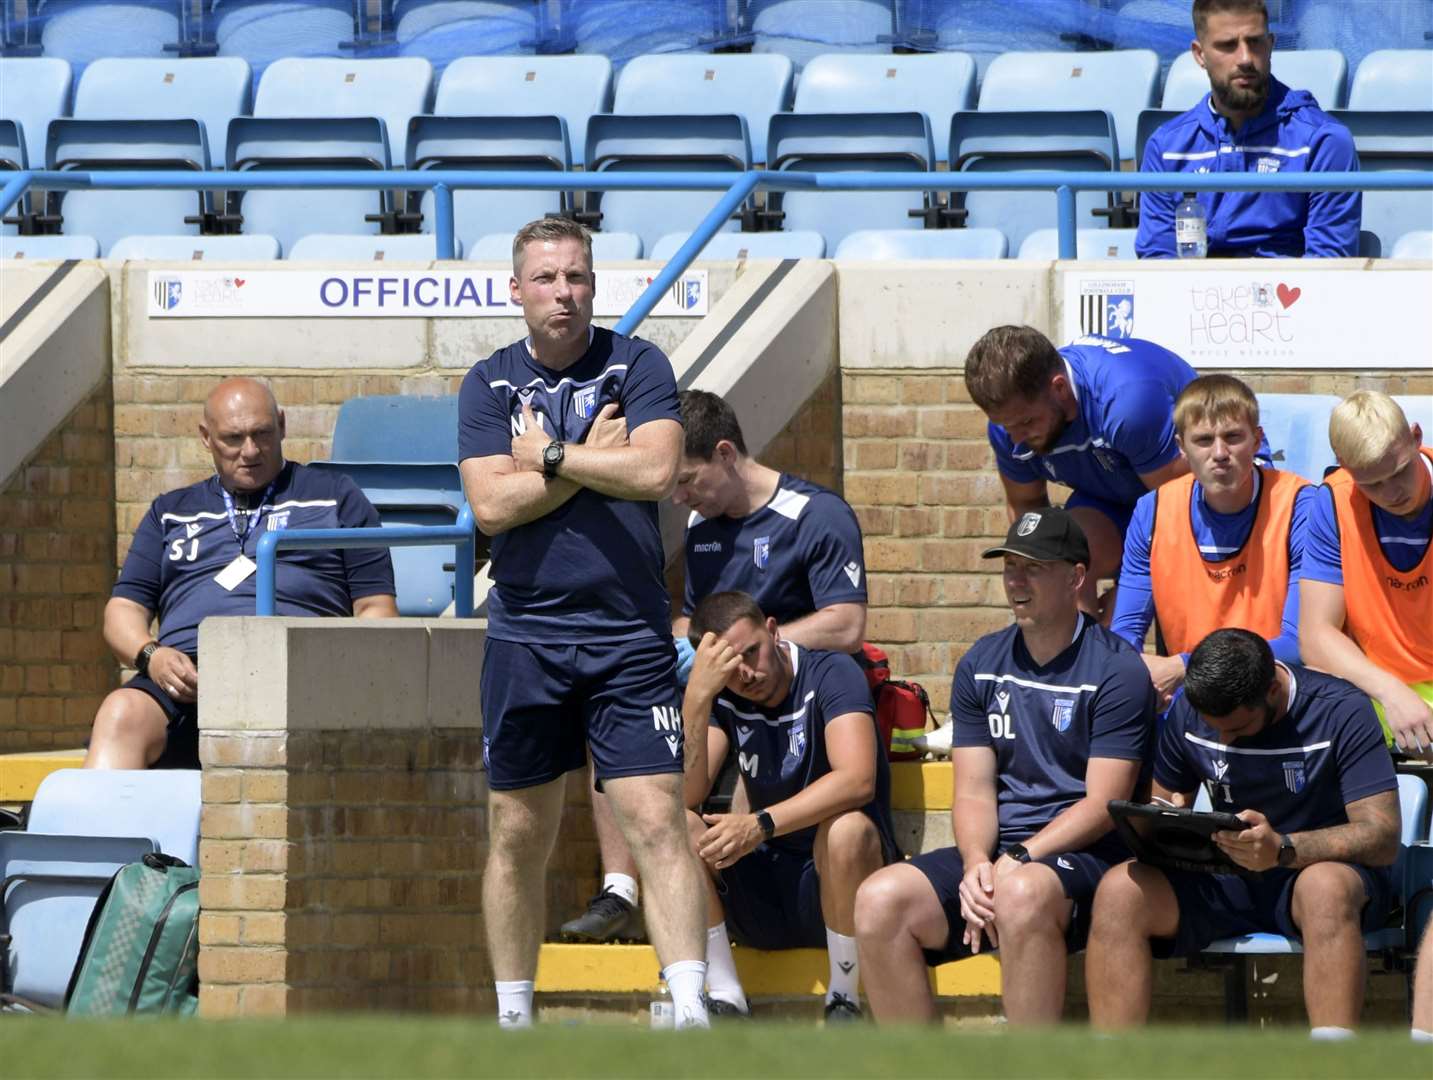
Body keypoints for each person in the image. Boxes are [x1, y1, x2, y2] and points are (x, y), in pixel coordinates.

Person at [458, 217, 710, 1029]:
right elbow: (492, 507)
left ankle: (693, 1007)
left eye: (576, 278)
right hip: (525, 637)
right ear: (516, 290)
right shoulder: (487, 384)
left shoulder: (638, 364)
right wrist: (592, 463)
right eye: (546, 279)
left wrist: (551, 456)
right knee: (518, 832)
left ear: (593, 285)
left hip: (627, 636)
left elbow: (658, 469)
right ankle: (513, 1018)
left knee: (654, 819)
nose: (563, 293)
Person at [561, 389, 870, 943]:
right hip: (727, 696)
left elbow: (846, 624)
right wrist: (670, 648)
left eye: (687, 479)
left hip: (796, 696)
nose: (678, 497)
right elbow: (693, 621)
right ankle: (619, 889)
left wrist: (737, 654)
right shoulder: (703, 529)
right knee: (613, 706)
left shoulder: (815, 515)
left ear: (726, 454)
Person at [853, 508, 1155, 1025]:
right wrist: (976, 864)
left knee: (1022, 890)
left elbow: (1104, 805)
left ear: (1076, 576)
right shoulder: (982, 662)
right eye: (1010, 565)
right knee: (880, 899)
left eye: (1033, 567)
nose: (1016, 580)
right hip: (1002, 857)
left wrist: (1019, 857)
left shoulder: (1119, 668)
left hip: (1087, 857)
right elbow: (972, 790)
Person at [1086, 629, 1401, 1036]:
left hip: (1315, 875)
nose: (1222, 739)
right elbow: (1165, 799)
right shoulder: (1190, 710)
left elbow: (1382, 836)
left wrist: (1284, 849)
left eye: (1236, 729)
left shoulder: (1341, 709)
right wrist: (1167, 820)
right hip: (1225, 875)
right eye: (1211, 726)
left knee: (1325, 888)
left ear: (1271, 689)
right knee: (1119, 890)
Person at [86, 378, 398, 770]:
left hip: (297, 668)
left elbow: (377, 610)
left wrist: (332, 670)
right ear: (206, 437)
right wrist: (152, 656)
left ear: (282, 425)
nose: (249, 451)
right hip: (189, 675)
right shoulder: (170, 512)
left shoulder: (336, 497)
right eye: (233, 438)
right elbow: (122, 611)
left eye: (262, 434)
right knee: (120, 713)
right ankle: (105, 833)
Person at [680, 591, 898, 1021]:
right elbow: (687, 795)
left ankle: (843, 997)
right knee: (679, 825)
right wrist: (696, 700)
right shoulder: (724, 696)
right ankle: (725, 996)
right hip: (766, 885)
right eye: (729, 666)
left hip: (836, 884)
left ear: (774, 631)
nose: (746, 673)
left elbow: (858, 779)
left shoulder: (831, 671)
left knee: (846, 828)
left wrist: (760, 823)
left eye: (752, 651)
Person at [964, 326, 1197, 619]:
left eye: (1026, 422)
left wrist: (1132, 587)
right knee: (1059, 562)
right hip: (1110, 492)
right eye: (1006, 426)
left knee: (1128, 617)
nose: (1017, 438)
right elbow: (1028, 513)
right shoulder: (1008, 430)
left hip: (1189, 496)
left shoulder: (1126, 404)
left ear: (1060, 388)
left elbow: (1181, 510)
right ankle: (1079, 657)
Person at [1111, 375, 1313, 707]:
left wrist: (1183, 665)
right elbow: (1124, 636)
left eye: (1233, 437)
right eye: (1204, 440)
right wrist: (1141, 672)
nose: (1219, 453)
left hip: (1273, 698)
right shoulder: (1153, 509)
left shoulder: (1301, 504)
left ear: (1257, 440)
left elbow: (1300, 642)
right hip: (1190, 702)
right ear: (1181, 447)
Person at [1136, 0, 1360, 259]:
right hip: (1193, 294)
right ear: (1200, 55)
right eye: (1227, 45)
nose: (1245, 59)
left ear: (1271, 45)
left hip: (1288, 294)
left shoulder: (1323, 141)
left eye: (1254, 42)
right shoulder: (1167, 147)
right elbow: (1157, 263)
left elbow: (1328, 266)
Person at [1300, 391, 1433, 758]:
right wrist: (1391, 692)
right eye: (1372, 484)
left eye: (1400, 471)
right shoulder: (1333, 502)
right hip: (1376, 686)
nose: (1392, 493)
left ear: (1417, 437)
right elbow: (1315, 636)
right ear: (1343, 465)